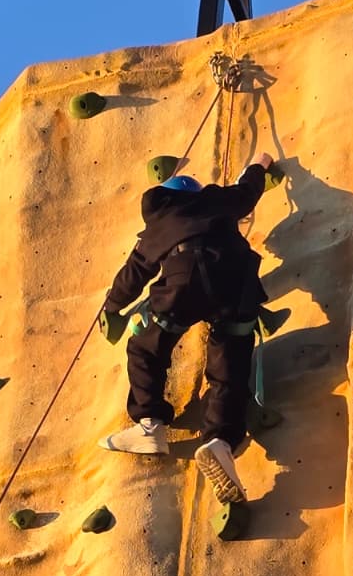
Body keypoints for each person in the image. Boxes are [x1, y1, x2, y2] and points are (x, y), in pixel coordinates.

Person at [96, 153, 280, 504]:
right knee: (230, 363)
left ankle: (150, 424)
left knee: (146, 347)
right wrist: (260, 163)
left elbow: (135, 271)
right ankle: (220, 441)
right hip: (237, 279)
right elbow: (247, 191)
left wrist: (112, 307)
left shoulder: (161, 219)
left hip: (186, 278)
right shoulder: (217, 201)